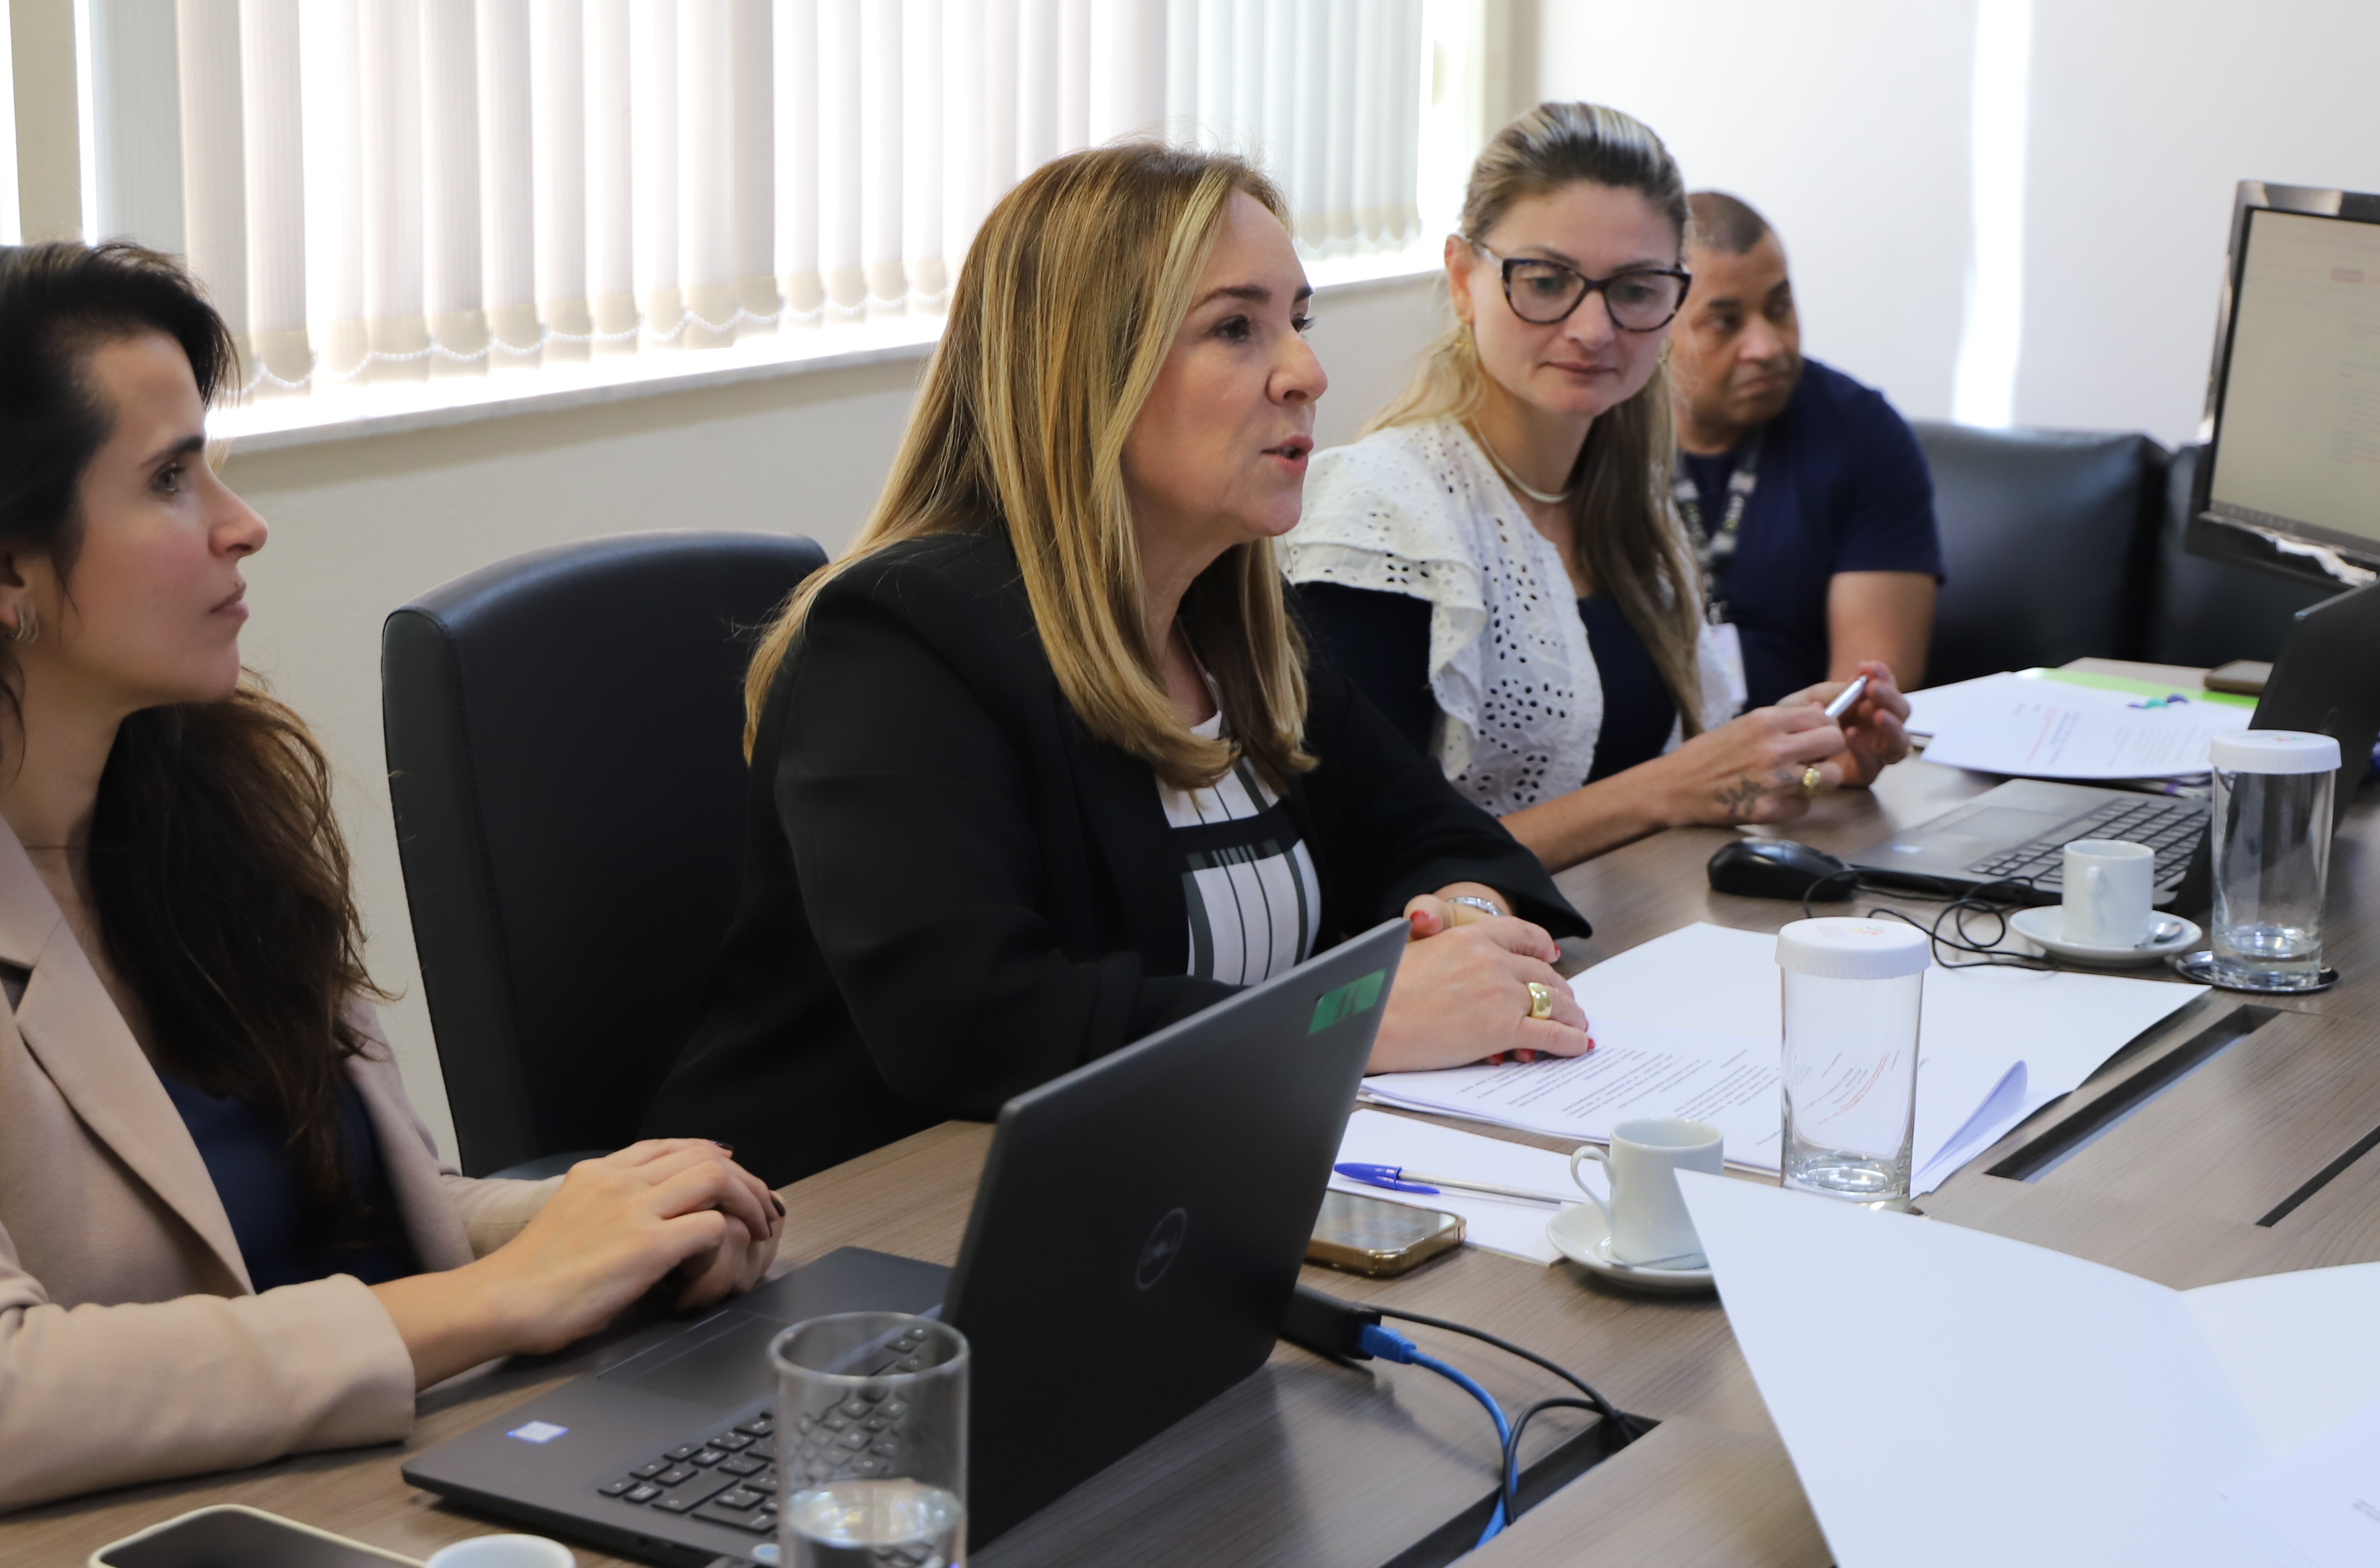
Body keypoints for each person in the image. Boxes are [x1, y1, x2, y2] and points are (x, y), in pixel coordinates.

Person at [0, 244, 781, 1568]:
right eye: (171, 480)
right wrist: (499, 1295)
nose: (242, 523)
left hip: (314, 1508)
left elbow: (320, 1231)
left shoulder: (203, 799)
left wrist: (602, 1231)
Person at [645, 144, 1595, 1191]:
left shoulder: (1232, 625)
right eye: (1237, 327)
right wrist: (1355, 1014)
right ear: (1087, 370)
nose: (1308, 372)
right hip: (854, 1238)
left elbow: (1440, 836)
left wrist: (1459, 920)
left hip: (1160, 1181)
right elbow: (975, 1021)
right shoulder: (902, 637)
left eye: (1297, 320)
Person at [1281, 104, 1912, 872]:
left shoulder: (1629, 507)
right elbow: (1367, 867)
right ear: (1461, 278)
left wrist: (1791, 752)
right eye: (1545, 281)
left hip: (1638, 935)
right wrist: (1667, 789)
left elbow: (1672, 777)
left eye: (1637, 291)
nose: (1593, 329)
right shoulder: (1380, 513)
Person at [1670, 189, 1943, 710]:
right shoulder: (1598, 433)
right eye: (1725, 321)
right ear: (1657, 326)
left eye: (1779, 307)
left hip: (1805, 766)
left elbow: (1862, 705)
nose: (1767, 345)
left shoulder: (1862, 433)